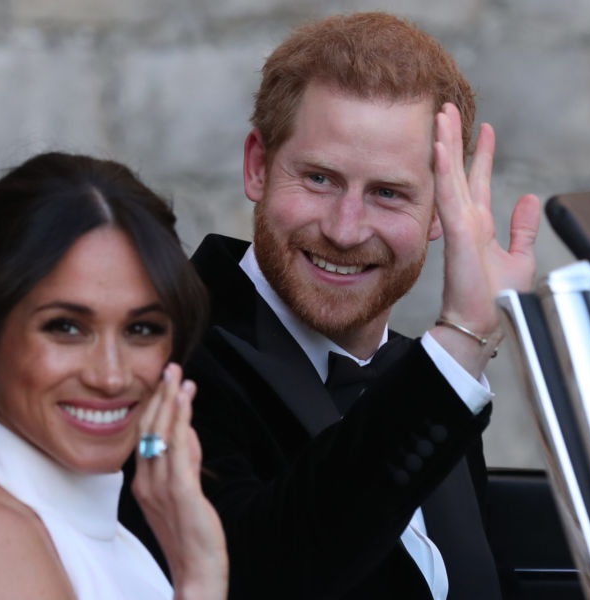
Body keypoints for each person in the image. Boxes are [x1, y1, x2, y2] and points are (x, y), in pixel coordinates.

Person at [120, 12, 543, 600]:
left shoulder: (428, 379)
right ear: (258, 167)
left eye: (388, 193)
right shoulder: (163, 356)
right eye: (319, 179)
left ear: (442, 212)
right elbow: (250, 573)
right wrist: (463, 340)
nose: (346, 230)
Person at [0, 153, 228, 599]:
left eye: (141, 329)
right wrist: (199, 582)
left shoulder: (109, 535)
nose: (110, 376)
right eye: (66, 328)